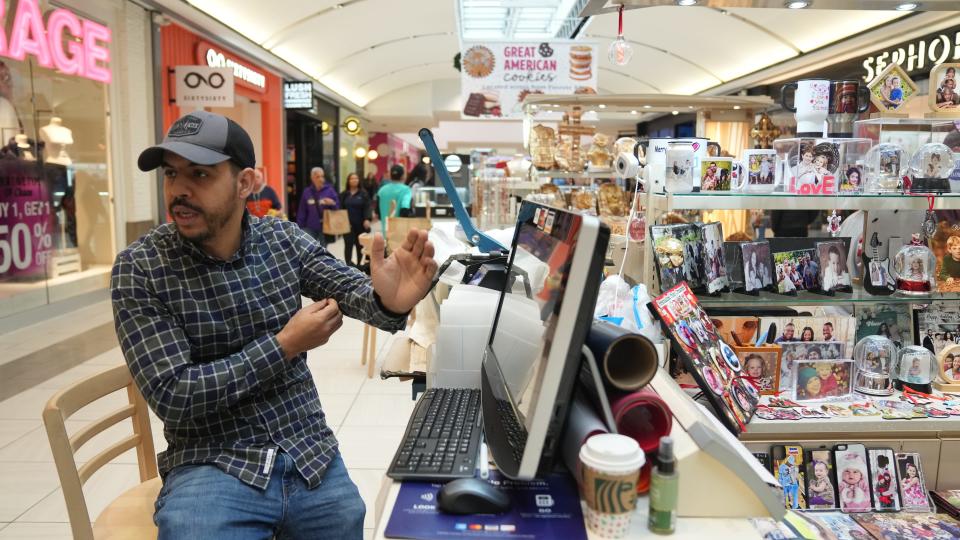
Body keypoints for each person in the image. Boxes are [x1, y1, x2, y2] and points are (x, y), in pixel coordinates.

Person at [115, 111, 438, 539]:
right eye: (171, 174)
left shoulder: (280, 240)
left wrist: (387, 301)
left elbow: (349, 288)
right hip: (211, 460)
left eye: (200, 175)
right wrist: (283, 345)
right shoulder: (141, 269)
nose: (180, 191)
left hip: (303, 445)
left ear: (246, 182)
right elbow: (174, 395)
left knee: (347, 517)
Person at [296, 167, 340, 247]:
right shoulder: (307, 192)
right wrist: (299, 227)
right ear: (312, 178)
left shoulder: (329, 190)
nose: (320, 179)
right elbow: (302, 211)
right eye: (317, 177)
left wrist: (332, 203)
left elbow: (337, 206)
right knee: (310, 249)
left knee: (323, 249)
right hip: (310, 227)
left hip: (325, 226)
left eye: (322, 176)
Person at [339, 172, 372, 266]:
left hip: (360, 224)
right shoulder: (344, 194)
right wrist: (343, 222)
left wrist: (367, 219)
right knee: (348, 245)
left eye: (356, 178)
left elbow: (367, 207)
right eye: (352, 178)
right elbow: (340, 209)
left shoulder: (363, 193)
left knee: (359, 246)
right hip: (347, 225)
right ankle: (348, 265)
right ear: (348, 181)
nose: (354, 180)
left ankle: (359, 265)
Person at [377, 164, 413, 235]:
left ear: (390, 175)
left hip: (386, 229)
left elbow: (377, 211)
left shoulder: (382, 190)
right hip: (400, 230)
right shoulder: (406, 190)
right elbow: (405, 208)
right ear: (403, 176)